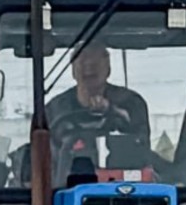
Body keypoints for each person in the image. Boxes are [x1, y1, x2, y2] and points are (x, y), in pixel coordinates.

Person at [46, 42, 151, 180]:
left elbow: (141, 149)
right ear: (72, 69)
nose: (88, 65)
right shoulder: (54, 109)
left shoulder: (131, 103)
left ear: (108, 68)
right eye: (82, 60)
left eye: (95, 62)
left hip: (125, 191)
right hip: (64, 190)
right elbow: (45, 160)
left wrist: (112, 111)